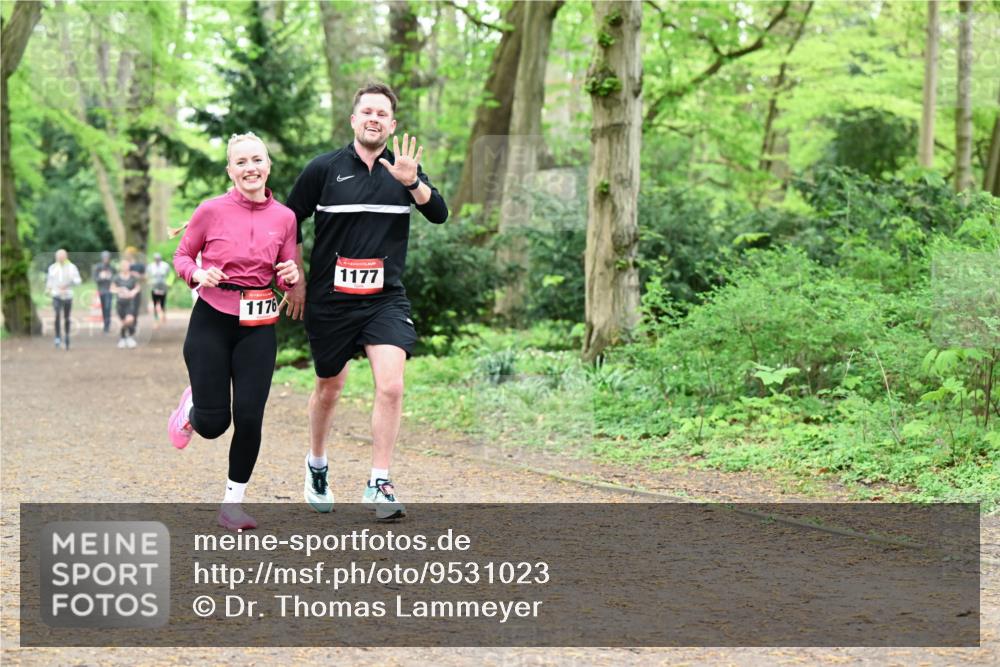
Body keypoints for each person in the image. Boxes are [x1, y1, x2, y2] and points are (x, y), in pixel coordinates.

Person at [285, 82, 448, 521]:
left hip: (385, 300)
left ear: (392, 126)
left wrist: (414, 182)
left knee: (391, 386)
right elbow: (286, 221)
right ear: (354, 120)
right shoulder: (323, 169)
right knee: (329, 388)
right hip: (330, 300)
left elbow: (439, 213)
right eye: (367, 112)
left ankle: (379, 480)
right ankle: (316, 465)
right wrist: (295, 277)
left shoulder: (403, 170)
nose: (374, 119)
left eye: (382, 114)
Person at [169, 132, 299, 532]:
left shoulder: (285, 217)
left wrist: (291, 275)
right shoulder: (210, 210)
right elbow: (182, 254)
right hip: (212, 318)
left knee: (250, 416)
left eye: (256, 160)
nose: (250, 168)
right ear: (230, 170)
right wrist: (197, 273)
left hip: (257, 325)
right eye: (241, 162)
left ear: (268, 166)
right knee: (213, 424)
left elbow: (288, 267)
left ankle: (232, 504)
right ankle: (192, 410)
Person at [45, 249, 82, 350]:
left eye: (62, 256)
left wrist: (69, 283)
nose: (60, 258)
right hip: (56, 295)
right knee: (57, 315)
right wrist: (48, 289)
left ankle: (67, 336)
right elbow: (49, 281)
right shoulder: (52, 268)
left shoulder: (72, 268)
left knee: (67, 317)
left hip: (67, 295)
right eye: (58, 256)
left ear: (66, 257)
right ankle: (57, 336)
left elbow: (78, 281)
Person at [111, 260, 140, 348]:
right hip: (120, 303)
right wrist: (120, 290)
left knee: (130, 319)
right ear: (121, 267)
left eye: (127, 265)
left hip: (130, 302)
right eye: (123, 266)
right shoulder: (116, 278)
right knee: (123, 322)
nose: (125, 267)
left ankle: (130, 337)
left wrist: (133, 292)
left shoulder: (132, 277)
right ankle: (123, 338)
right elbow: (112, 288)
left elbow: (137, 287)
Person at [92, 250, 116, 333]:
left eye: (107, 257)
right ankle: (105, 324)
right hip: (102, 290)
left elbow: (116, 279)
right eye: (104, 257)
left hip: (109, 290)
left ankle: (107, 325)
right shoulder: (98, 267)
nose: (106, 259)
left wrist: (110, 277)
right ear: (102, 258)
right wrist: (101, 277)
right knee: (104, 308)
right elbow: (95, 279)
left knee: (108, 307)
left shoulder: (112, 268)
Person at [148, 252, 172, 327]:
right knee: (155, 304)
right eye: (156, 259)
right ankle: (156, 320)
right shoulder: (150, 266)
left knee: (162, 303)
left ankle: (164, 315)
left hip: (163, 286)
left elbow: (171, 274)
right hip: (154, 286)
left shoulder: (165, 265)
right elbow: (148, 276)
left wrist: (169, 283)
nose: (157, 260)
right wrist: (149, 282)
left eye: (158, 259)